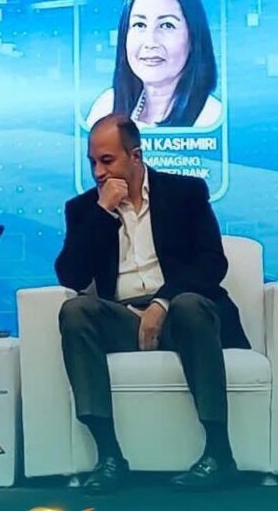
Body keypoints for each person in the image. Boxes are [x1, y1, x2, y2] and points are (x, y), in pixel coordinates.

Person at [55, 114, 248, 493]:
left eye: (107, 161)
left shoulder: (185, 192)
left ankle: (218, 454)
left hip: (181, 316)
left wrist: (162, 303)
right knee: (75, 310)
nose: (98, 172)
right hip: (124, 318)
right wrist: (102, 213)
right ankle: (110, 457)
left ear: (135, 155)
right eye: (92, 162)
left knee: (189, 305)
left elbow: (212, 262)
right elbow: (71, 276)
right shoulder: (84, 209)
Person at [85, 0, 220, 129]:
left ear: (194, 36)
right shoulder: (107, 107)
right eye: (140, 25)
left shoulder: (212, 119)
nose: (150, 42)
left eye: (167, 25)